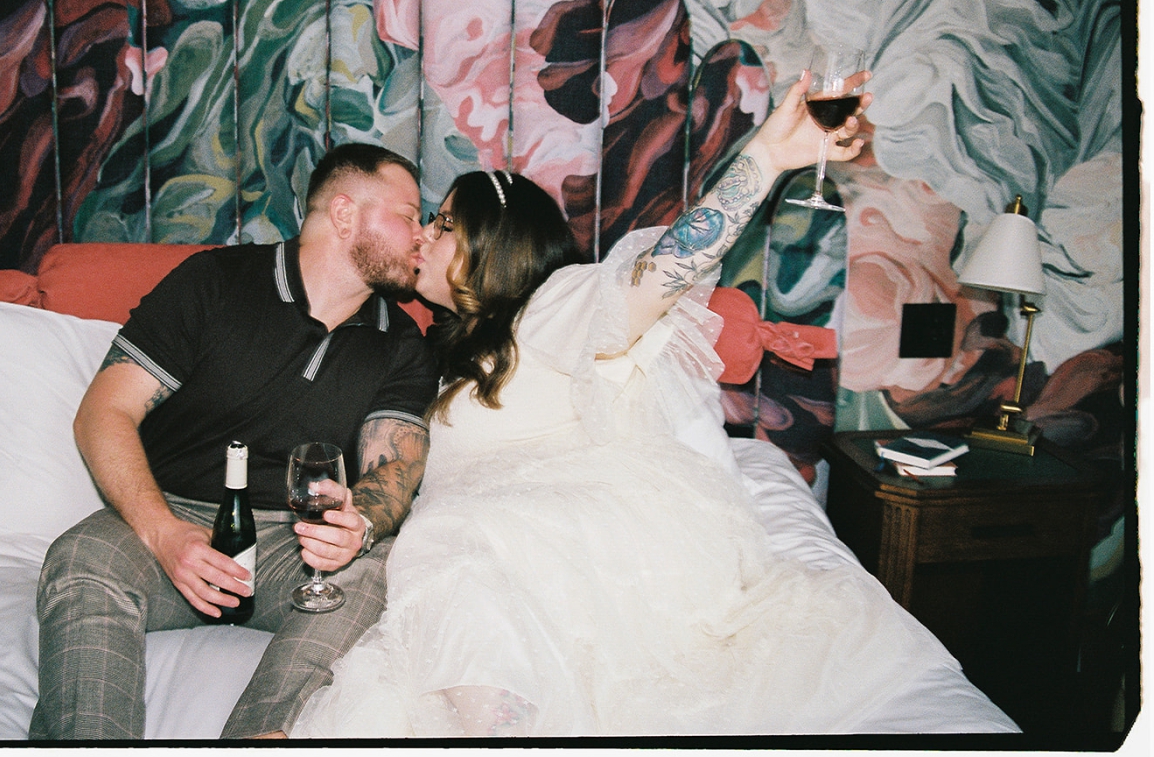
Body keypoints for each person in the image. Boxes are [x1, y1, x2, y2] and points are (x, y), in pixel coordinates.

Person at [281, 76, 962, 737]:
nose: (424, 236)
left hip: (569, 538)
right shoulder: (439, 358)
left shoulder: (555, 306)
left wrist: (769, 157)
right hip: (494, 562)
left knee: (443, 550)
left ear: (499, 242)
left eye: (445, 222)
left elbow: (673, 264)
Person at [28, 144, 439, 740]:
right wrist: (161, 532)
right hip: (171, 516)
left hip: (293, 545)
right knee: (81, 559)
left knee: (379, 573)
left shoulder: (402, 343)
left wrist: (360, 524)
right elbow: (103, 412)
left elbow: (397, 466)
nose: (423, 234)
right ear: (345, 214)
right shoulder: (215, 282)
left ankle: (260, 739)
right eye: (409, 214)